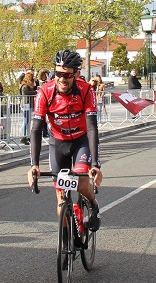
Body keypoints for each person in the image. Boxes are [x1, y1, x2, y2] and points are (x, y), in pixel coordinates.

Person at [27, 49, 103, 229]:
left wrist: (96, 166)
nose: (62, 79)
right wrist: (34, 165)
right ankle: (67, 241)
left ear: (76, 74)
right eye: (58, 74)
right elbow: (36, 129)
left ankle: (93, 204)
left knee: (82, 185)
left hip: (81, 142)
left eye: (67, 75)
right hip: (58, 143)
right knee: (61, 198)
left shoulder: (86, 91)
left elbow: (92, 127)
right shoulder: (45, 92)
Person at [19, 71, 37, 145]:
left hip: (28, 104)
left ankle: (27, 135)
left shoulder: (28, 85)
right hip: (25, 104)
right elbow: (26, 92)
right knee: (25, 121)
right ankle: (23, 136)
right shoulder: (24, 85)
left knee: (28, 121)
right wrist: (35, 92)